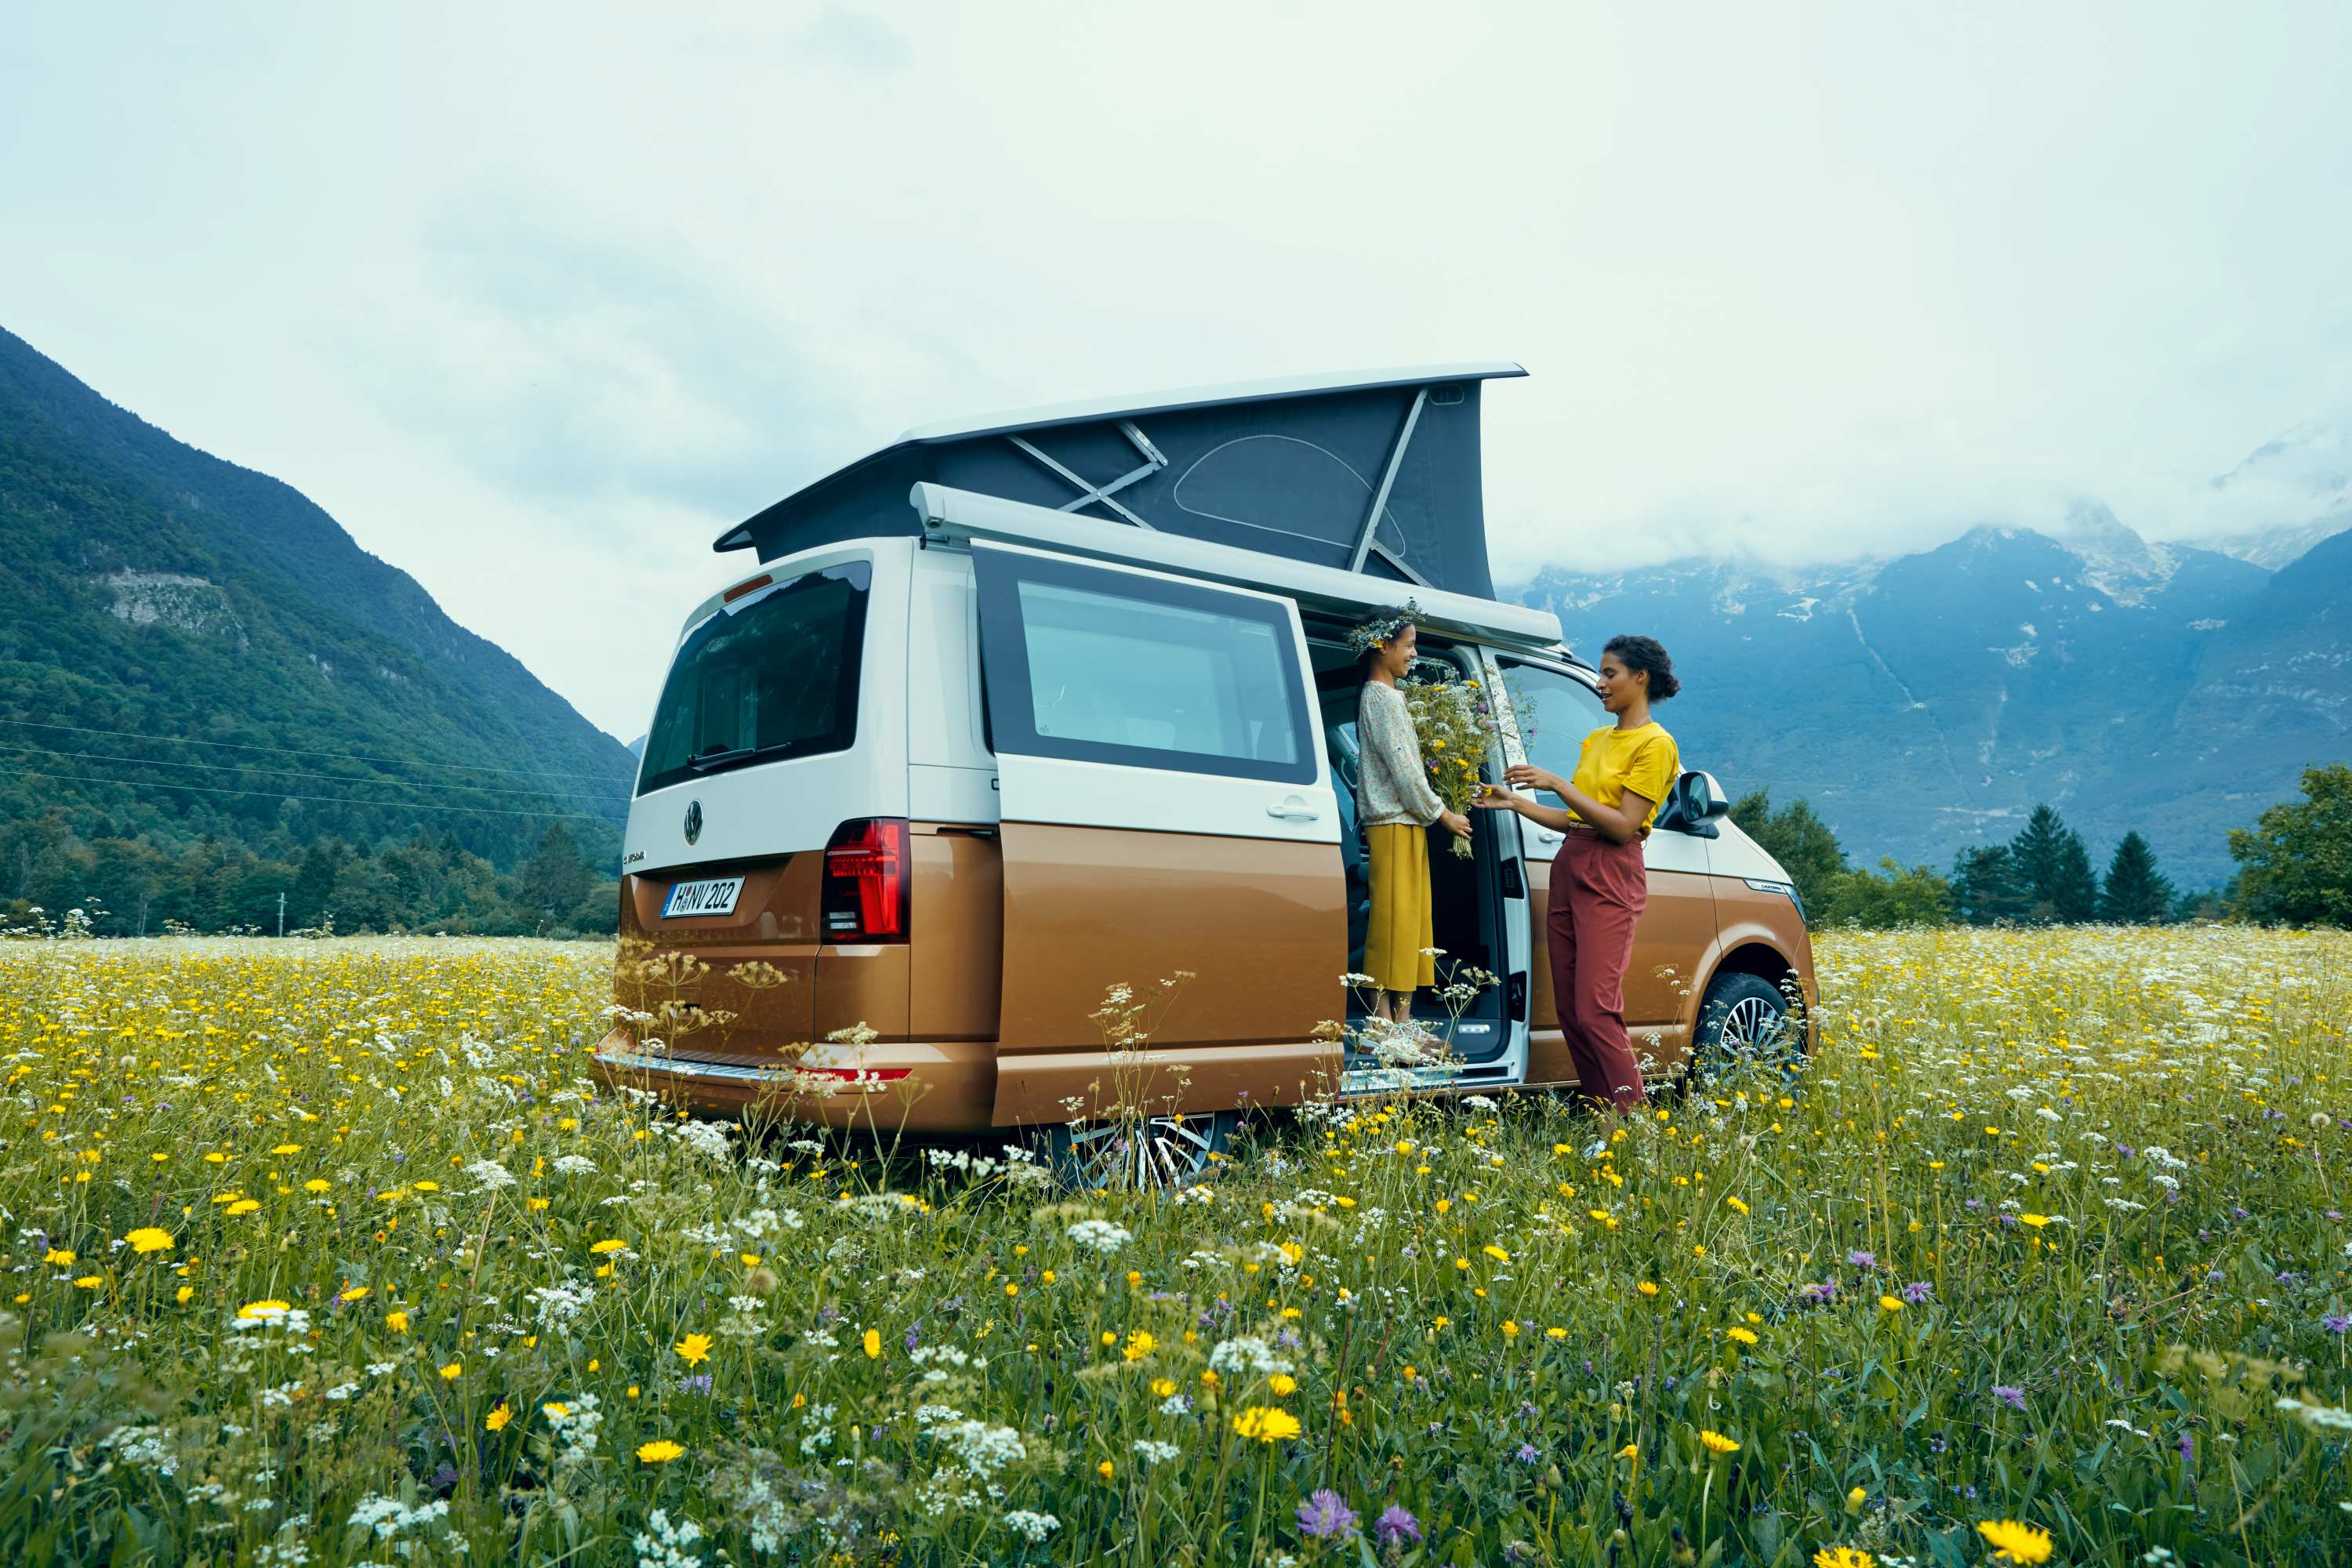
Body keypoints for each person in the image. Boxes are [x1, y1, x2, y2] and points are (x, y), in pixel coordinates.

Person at [1475, 634, 1680, 1110]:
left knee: (1595, 1008)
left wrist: (1557, 783)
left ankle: (1634, 1119)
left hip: (1613, 869)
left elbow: (1623, 824)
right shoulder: (1597, 740)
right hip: (1571, 862)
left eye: (1610, 674)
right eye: (1602, 673)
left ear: (1640, 677)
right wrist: (1515, 803)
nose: (1600, 683)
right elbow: (1579, 819)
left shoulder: (1656, 744)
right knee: (1571, 1010)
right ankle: (1605, 1116)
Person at [1351, 607, 1472, 1033]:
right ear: (1382, 646)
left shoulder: (1385, 696)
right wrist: (1444, 815)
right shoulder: (1380, 697)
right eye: (1409, 645)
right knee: (1393, 922)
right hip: (1394, 823)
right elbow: (1404, 768)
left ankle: (1402, 1019)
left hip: (1404, 823)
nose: (1414, 654)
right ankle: (1381, 1024)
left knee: (1410, 924)